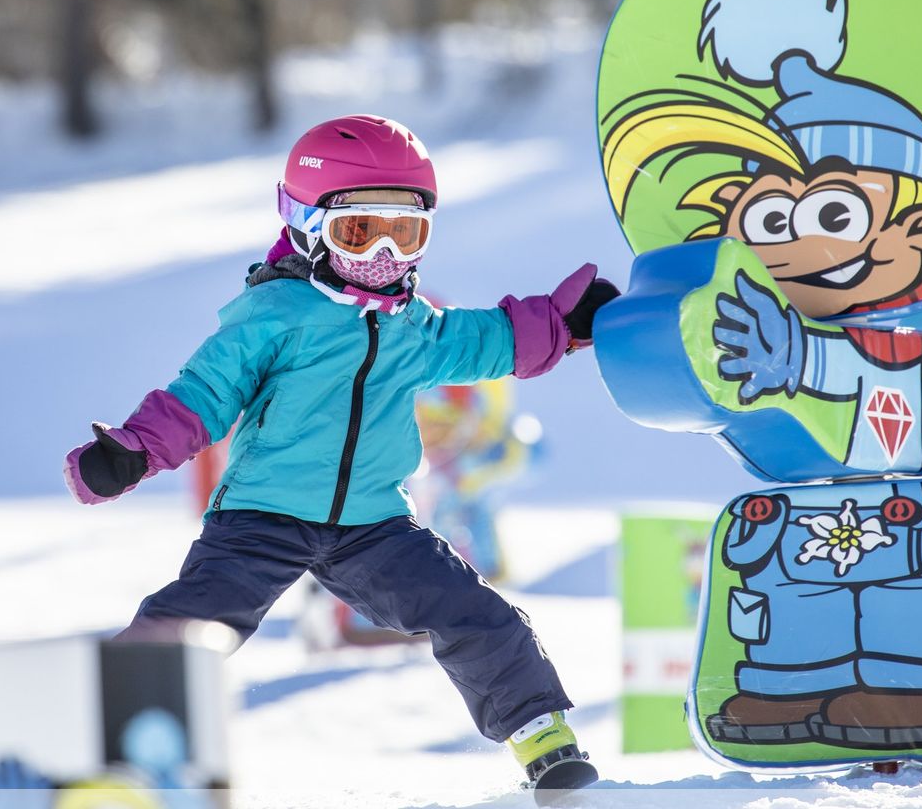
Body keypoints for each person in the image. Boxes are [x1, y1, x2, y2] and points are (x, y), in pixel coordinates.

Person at [64, 114, 617, 798]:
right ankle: (107, 740)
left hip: (373, 525)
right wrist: (133, 452)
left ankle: (546, 744)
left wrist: (561, 324)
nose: (383, 253)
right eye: (358, 232)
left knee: (477, 615)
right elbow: (204, 394)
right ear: (305, 224)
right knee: (192, 625)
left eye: (404, 233)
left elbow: (487, 339)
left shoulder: (411, 325)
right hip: (261, 516)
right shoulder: (273, 315)